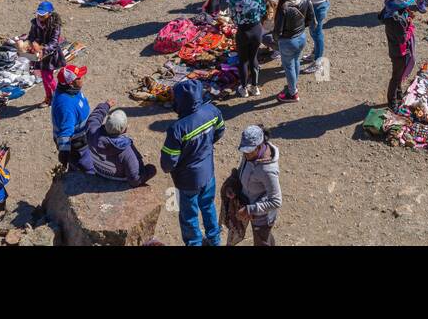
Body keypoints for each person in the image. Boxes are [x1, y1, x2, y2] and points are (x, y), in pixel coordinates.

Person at [160, 77, 226, 246]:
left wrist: (170, 168)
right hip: (208, 172)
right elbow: (219, 131)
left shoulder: (177, 129)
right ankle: (214, 239)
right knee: (208, 205)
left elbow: (168, 162)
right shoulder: (211, 111)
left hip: (187, 180)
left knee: (189, 215)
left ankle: (194, 243)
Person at [232, 125, 282, 246]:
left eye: (249, 151)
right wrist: (234, 187)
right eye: (244, 150)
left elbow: (276, 201)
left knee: (262, 240)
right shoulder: (249, 156)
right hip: (250, 205)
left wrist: (249, 210)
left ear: (259, 146)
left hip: (262, 217)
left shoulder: (267, 170)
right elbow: (243, 171)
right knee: (265, 239)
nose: (245, 154)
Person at [85, 103, 156, 186]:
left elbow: (94, 118)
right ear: (125, 130)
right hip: (118, 177)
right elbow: (135, 179)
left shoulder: (92, 131)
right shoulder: (127, 151)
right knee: (151, 169)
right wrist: (148, 171)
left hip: (97, 169)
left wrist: (105, 105)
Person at [228, 0, 268, 97]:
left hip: (243, 31)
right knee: (253, 58)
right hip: (256, 29)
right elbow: (263, 11)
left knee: (243, 60)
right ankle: (255, 87)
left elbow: (232, 16)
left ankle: (244, 88)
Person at [272, 0, 313, 103]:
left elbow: (278, 30)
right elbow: (310, 19)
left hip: (288, 41)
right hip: (301, 37)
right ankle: (293, 85)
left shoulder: (283, 7)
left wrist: (275, 40)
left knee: (288, 66)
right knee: (296, 61)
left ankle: (292, 93)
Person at [380, 0, 418, 108]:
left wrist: (407, 16)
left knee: (399, 73)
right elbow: (403, 38)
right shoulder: (396, 21)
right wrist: (410, 26)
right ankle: (392, 101)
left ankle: (399, 93)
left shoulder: (390, 8)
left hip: (395, 48)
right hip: (399, 52)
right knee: (396, 76)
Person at [50, 64, 91, 168]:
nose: (82, 79)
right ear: (71, 83)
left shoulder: (71, 91)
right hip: (77, 145)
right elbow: (65, 133)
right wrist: (64, 155)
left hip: (83, 137)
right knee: (86, 167)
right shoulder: (66, 106)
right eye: (79, 78)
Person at [27, 0, 65, 106]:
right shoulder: (35, 23)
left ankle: (61, 97)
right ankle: (49, 98)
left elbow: (54, 42)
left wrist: (42, 48)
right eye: (39, 14)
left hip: (50, 55)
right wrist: (33, 43)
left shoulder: (55, 25)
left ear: (49, 14)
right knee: (44, 77)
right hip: (39, 55)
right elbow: (31, 36)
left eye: (42, 15)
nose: (40, 17)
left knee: (48, 77)